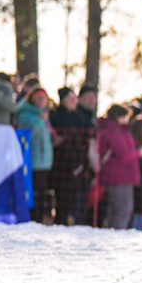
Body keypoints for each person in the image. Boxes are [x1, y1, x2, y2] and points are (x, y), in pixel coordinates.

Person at [50, 87, 93, 225]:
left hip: (79, 165)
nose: (73, 101)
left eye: (75, 98)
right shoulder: (56, 116)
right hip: (61, 166)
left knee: (76, 202)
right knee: (62, 201)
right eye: (70, 99)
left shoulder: (80, 117)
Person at [15, 87, 55, 222]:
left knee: (42, 193)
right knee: (33, 192)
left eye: (43, 98)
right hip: (31, 160)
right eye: (38, 97)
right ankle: (31, 218)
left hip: (45, 161)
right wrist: (40, 120)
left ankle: (40, 219)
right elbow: (28, 134)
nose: (41, 101)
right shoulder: (25, 114)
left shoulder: (45, 115)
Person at [97, 104, 140, 229]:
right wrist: (138, 152)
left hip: (116, 176)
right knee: (122, 211)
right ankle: (116, 238)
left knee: (113, 212)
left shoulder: (111, 129)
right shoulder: (115, 131)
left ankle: (110, 235)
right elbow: (124, 154)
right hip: (120, 177)